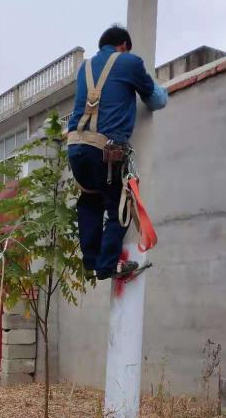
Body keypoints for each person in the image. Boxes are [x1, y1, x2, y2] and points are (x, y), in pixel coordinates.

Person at [67, 24, 168, 280]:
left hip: (76, 149)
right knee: (120, 205)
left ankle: (91, 260)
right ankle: (107, 266)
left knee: (89, 200)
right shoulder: (130, 62)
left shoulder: (84, 69)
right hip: (106, 150)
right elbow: (156, 101)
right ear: (123, 45)